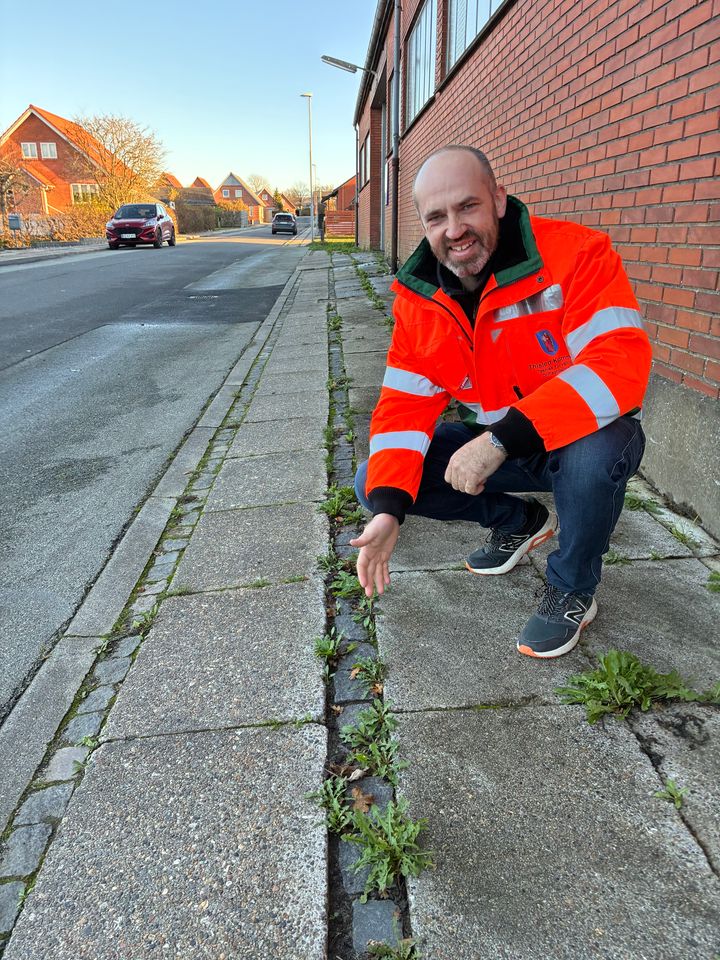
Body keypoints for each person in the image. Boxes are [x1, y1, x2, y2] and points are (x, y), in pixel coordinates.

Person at [352, 145, 651, 659]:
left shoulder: (578, 254)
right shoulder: (420, 300)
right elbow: (403, 410)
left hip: (581, 437)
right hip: (509, 450)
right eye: (437, 217)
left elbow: (616, 363)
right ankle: (519, 523)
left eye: (467, 206)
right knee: (374, 481)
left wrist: (499, 440)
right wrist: (388, 510)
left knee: (592, 458)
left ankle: (572, 587)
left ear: (498, 198)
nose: (454, 230)